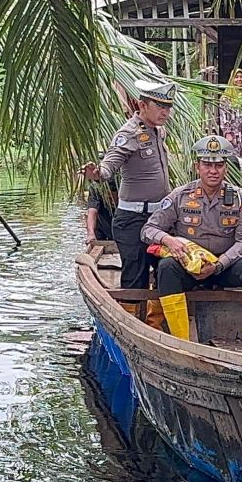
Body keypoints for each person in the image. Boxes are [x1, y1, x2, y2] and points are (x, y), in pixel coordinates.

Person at [140, 135, 242, 340]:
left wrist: (218, 265)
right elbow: (148, 229)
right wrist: (168, 240)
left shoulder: (239, 198)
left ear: (225, 168)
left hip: (224, 265)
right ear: (197, 166)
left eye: (218, 165)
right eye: (207, 164)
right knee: (166, 268)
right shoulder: (180, 196)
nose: (213, 171)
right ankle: (180, 341)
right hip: (189, 267)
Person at [82, 80, 175, 325]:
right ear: (142, 105)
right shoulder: (128, 133)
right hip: (133, 218)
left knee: (168, 267)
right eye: (160, 106)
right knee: (135, 274)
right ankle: (132, 326)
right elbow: (108, 167)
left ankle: (156, 324)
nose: (166, 112)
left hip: (159, 218)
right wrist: (96, 173)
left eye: (168, 107)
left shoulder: (158, 130)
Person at [84, 155, 117, 243]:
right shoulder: (96, 189)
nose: (109, 198)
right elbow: (92, 212)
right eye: (107, 195)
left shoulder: (123, 187)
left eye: (111, 196)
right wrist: (90, 234)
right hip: (103, 229)